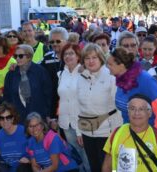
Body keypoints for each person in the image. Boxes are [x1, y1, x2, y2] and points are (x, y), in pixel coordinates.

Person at [102, 94, 157, 172]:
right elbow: (107, 167)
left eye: (141, 109)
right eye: (132, 108)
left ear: (149, 113)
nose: (136, 113)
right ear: (128, 112)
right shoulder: (116, 133)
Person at [77, 43, 122, 171]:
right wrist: (78, 131)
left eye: (94, 57)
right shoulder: (80, 78)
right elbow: (78, 106)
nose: (91, 61)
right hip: (86, 132)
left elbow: (117, 107)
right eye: (87, 58)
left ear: (101, 58)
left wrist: (116, 134)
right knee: (94, 167)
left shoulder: (111, 76)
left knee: (107, 168)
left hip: (106, 133)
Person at [107, 47, 157, 129]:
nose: (107, 67)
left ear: (121, 66)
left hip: (147, 133)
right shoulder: (120, 79)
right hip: (128, 132)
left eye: (110, 64)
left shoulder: (146, 79)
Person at [57, 43, 90, 171]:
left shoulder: (85, 73)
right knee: (76, 158)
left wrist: (80, 130)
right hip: (66, 124)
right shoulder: (60, 74)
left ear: (78, 56)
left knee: (87, 158)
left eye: (71, 53)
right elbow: (62, 99)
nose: (68, 56)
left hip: (81, 125)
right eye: (65, 54)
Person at [3, 44, 52, 124]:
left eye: (21, 56)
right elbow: (7, 96)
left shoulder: (40, 71)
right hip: (18, 117)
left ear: (29, 56)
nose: (17, 59)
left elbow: (48, 95)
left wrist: (47, 114)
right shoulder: (11, 74)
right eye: (15, 56)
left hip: (38, 116)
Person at [0, 102, 32, 172]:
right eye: (1, 118)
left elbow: (38, 152)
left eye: (8, 117)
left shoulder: (25, 132)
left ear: (13, 118)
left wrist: (29, 160)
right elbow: (0, 157)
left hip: (25, 167)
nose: (5, 121)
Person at [41, 27, 68, 119]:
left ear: (66, 41)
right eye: (52, 42)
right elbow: (33, 68)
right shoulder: (47, 57)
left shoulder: (74, 57)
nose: (54, 44)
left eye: (58, 41)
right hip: (52, 105)